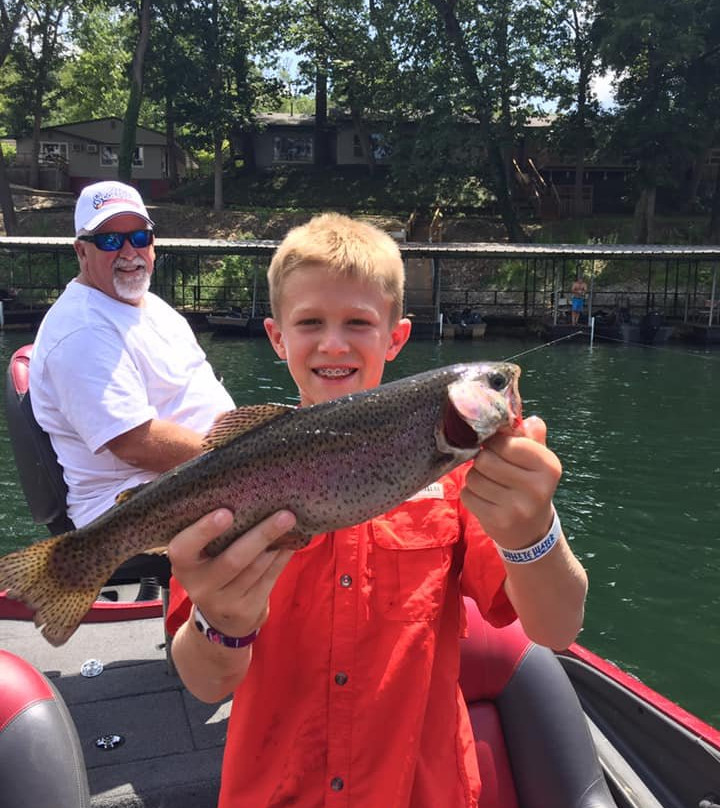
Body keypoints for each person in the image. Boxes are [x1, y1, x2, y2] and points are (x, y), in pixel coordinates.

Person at [166, 213, 588, 808]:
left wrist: (535, 534)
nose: (333, 343)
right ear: (276, 336)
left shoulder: (462, 478)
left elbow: (556, 628)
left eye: (358, 323)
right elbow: (204, 683)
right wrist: (221, 622)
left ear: (395, 336)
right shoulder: (236, 478)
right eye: (310, 322)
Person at [29, 180, 235, 530]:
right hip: (132, 511)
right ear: (81, 251)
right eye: (110, 240)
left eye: (140, 237)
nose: (129, 252)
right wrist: (243, 460)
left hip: (198, 481)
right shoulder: (81, 331)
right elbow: (135, 443)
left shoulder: (148, 306)